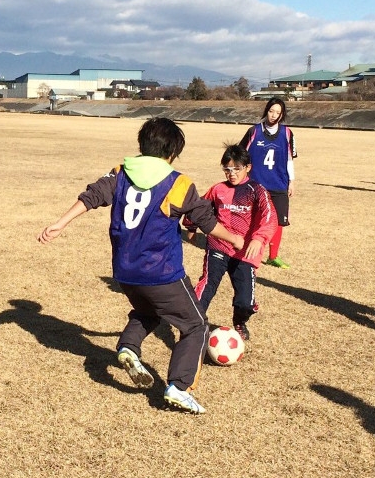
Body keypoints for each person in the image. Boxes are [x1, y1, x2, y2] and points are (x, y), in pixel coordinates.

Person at [38, 117, 244, 414]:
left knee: (149, 310)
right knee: (196, 325)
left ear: (142, 144)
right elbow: (206, 221)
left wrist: (59, 223)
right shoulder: (178, 183)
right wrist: (234, 239)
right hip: (161, 273)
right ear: (172, 151)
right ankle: (178, 387)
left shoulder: (121, 172)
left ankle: (129, 347)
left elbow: (92, 196)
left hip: (125, 272)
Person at [184, 144, 277, 342]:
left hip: (244, 253)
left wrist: (259, 239)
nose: (231, 174)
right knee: (206, 286)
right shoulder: (218, 189)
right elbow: (200, 209)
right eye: (227, 169)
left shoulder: (257, 190)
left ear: (248, 168)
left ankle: (239, 321)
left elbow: (269, 217)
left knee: (246, 302)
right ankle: (193, 327)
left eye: (237, 169)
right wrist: (190, 226)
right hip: (218, 246)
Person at [239, 97, 297, 269]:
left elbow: (289, 160)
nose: (274, 115)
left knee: (279, 221)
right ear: (266, 111)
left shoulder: (287, 133)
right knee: (252, 218)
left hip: (279, 183)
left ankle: (273, 256)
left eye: (278, 112)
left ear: (282, 114)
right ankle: (247, 251)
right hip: (256, 184)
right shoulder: (254, 131)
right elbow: (241, 154)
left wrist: (292, 181)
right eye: (271, 111)